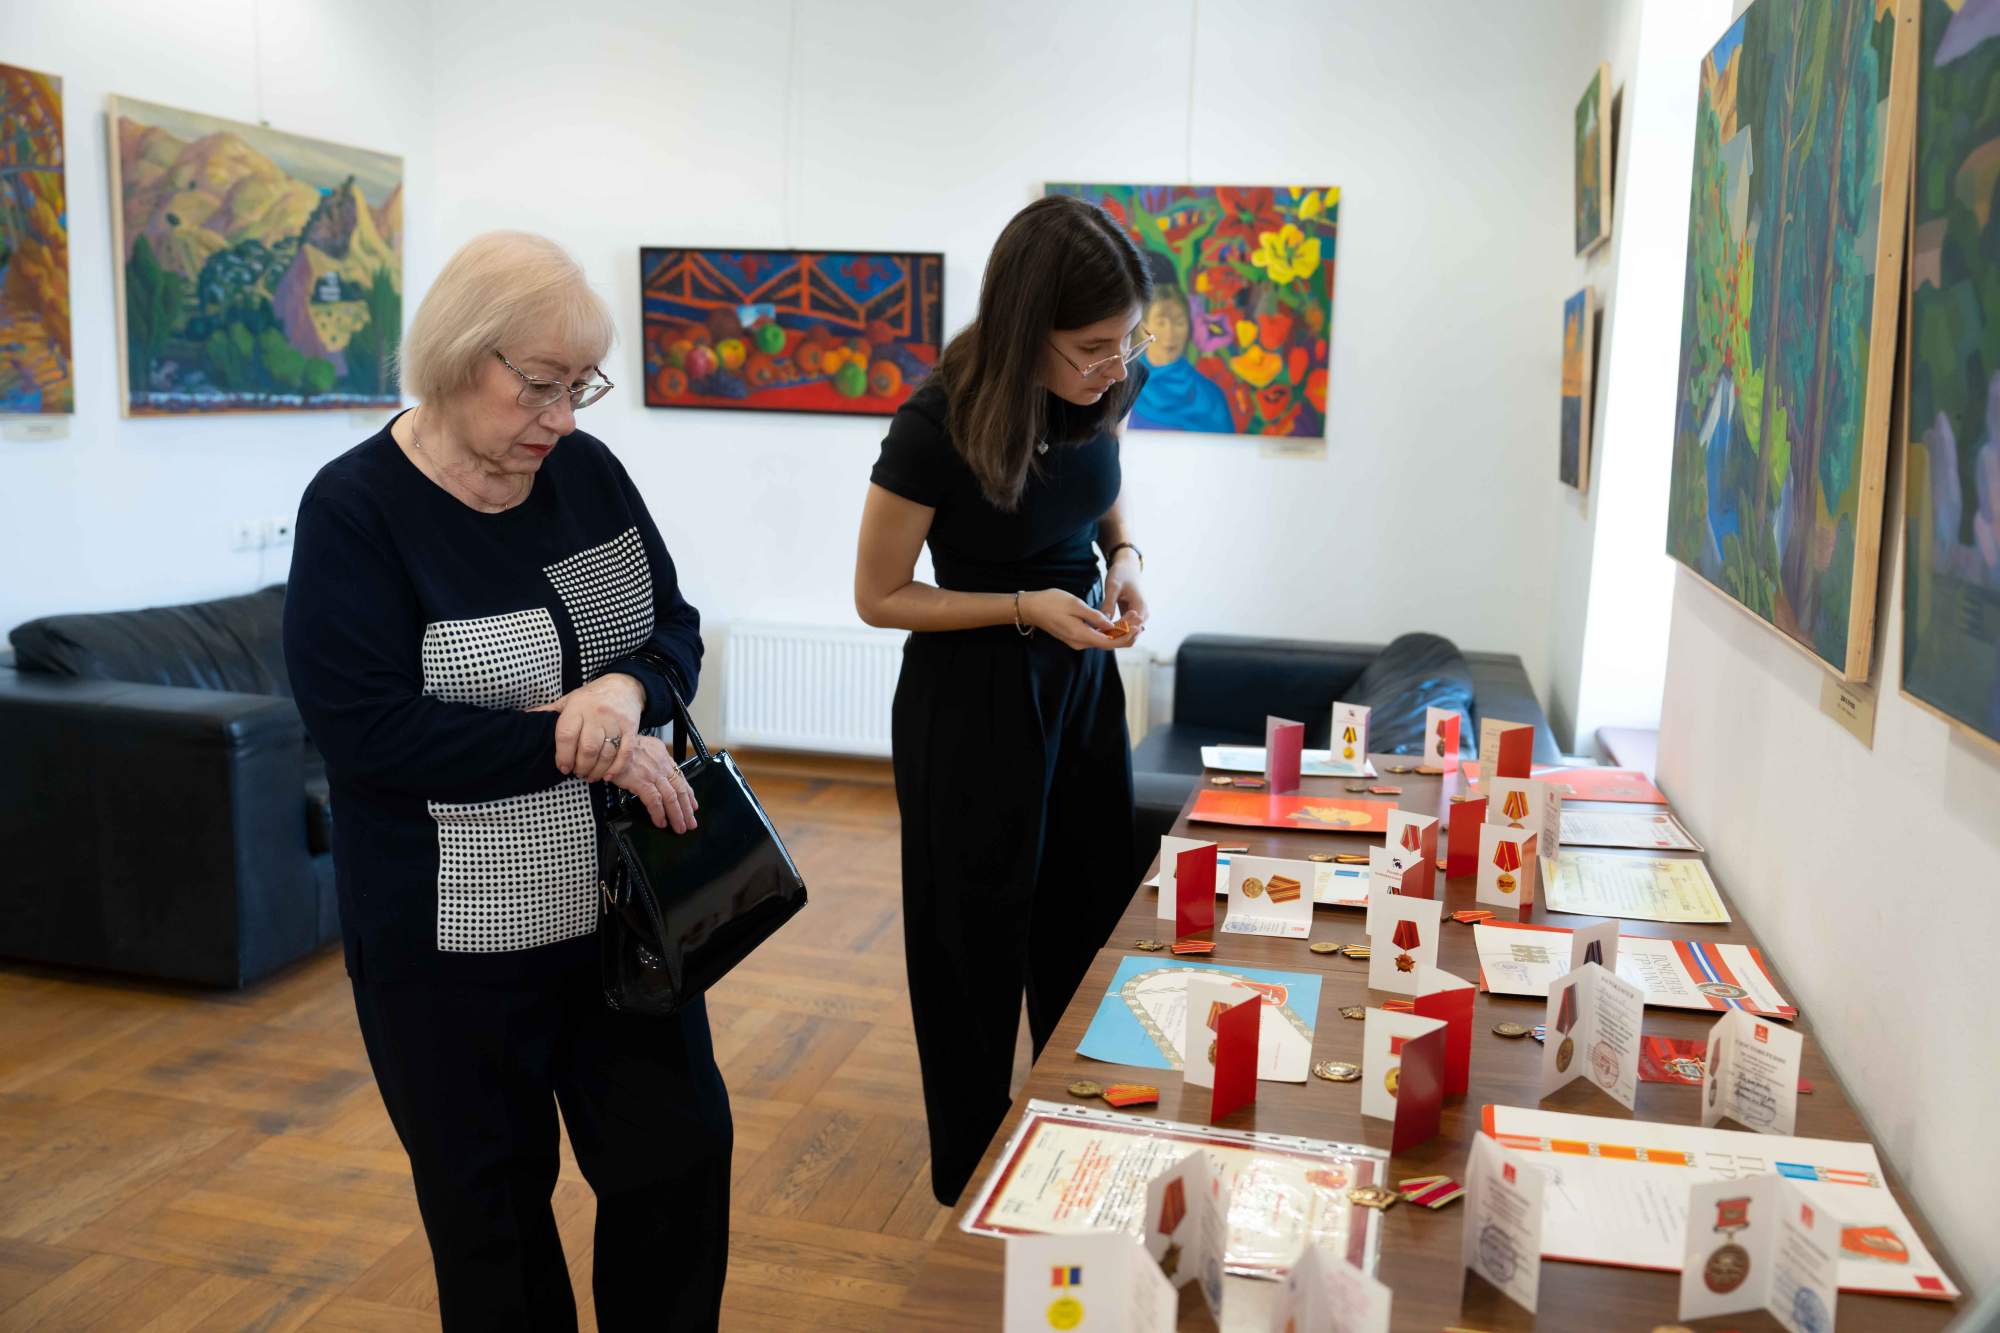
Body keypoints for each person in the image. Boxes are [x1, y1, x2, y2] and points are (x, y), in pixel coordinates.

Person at [282, 231, 730, 1332]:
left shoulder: (587, 474)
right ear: (454, 355)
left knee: (677, 1166)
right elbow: (366, 731)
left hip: (627, 910)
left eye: (581, 387)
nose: (562, 418)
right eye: (538, 385)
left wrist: (626, 689)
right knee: (493, 1220)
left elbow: (673, 626)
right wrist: (574, 740)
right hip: (449, 946)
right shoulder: (356, 509)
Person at [854, 195, 1155, 1205]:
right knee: (971, 953)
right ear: (1029, 328)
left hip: (1080, 683)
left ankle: (1079, 1150)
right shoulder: (934, 425)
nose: (1115, 366)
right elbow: (878, 596)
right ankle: (975, 1188)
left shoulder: (1111, 378)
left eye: (1127, 341)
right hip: (972, 696)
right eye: (1092, 348)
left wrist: (1124, 557)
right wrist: (1025, 606)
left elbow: (1102, 482)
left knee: (1087, 922)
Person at [1129, 253, 1235, 434]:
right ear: (1143, 327)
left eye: (1179, 322)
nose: (1170, 334)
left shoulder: (1209, 396)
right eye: (1161, 322)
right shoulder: (1122, 389)